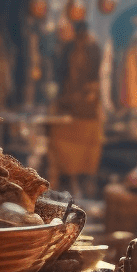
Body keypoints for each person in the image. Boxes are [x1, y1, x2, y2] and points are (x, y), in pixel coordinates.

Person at [49, 21, 104, 197]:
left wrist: (92, 91)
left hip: (87, 109)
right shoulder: (68, 47)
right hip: (68, 106)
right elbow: (61, 73)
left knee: (88, 151)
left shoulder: (94, 48)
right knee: (62, 146)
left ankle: (84, 186)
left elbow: (98, 75)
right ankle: (71, 184)